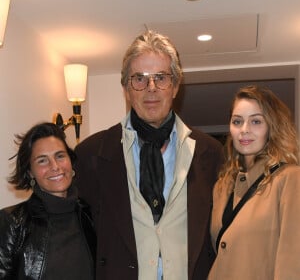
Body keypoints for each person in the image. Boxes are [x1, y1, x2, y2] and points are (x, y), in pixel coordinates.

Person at [74, 29, 223, 280]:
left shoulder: (211, 153)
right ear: (126, 88)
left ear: (175, 86)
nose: (150, 88)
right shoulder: (91, 155)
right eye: (139, 79)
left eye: (161, 77)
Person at [208, 85, 300, 279]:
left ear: (272, 127)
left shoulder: (290, 179)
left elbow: (292, 262)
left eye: (256, 121)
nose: (244, 130)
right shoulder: (222, 187)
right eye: (237, 121)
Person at [0, 122, 96, 279]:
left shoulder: (90, 215)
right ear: (30, 172)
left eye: (60, 156)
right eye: (42, 160)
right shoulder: (11, 223)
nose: (55, 166)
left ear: (70, 162)